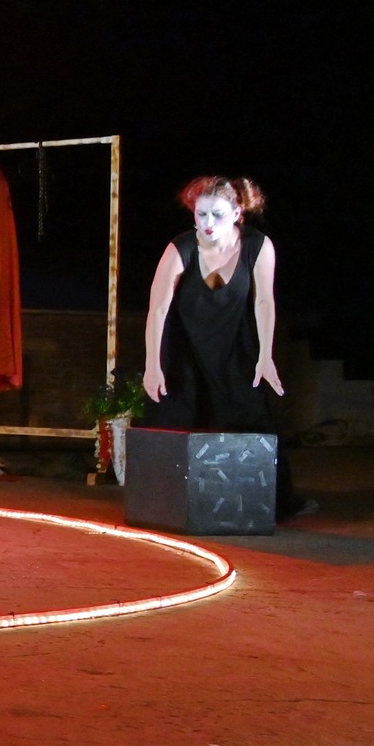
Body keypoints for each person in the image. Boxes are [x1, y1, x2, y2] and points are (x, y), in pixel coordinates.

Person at [140, 175, 302, 515]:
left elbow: (264, 302)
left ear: (237, 213)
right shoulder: (181, 248)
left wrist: (265, 355)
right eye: (201, 214)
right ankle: (168, 504)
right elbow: (157, 309)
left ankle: (266, 505)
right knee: (174, 416)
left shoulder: (258, 246)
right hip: (185, 345)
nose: (208, 223)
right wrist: (152, 364)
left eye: (217, 214)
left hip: (233, 344)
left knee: (249, 416)